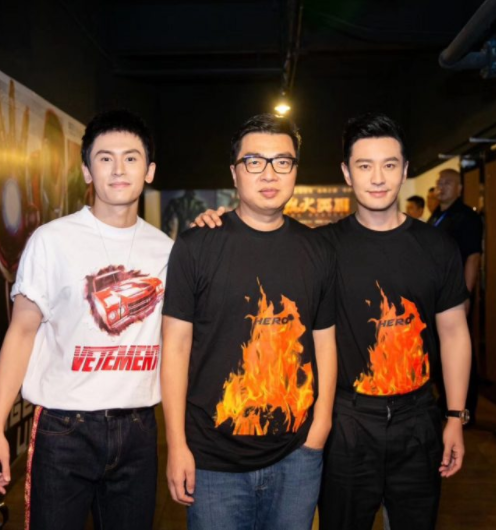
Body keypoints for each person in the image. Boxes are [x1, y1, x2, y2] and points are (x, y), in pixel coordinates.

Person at [192, 113, 470, 529]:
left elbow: (454, 333)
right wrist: (216, 223)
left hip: (418, 420)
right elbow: (262, 247)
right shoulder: (321, 247)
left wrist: (455, 417)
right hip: (346, 422)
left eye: (389, 165)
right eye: (364, 165)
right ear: (346, 172)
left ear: (405, 169)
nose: (378, 177)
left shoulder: (437, 246)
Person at [0, 110, 173, 530]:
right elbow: (21, 333)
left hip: (138, 429)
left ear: (150, 170)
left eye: (131, 158)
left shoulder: (166, 251)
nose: (118, 169)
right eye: (105, 158)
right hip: (65, 429)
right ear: (87, 171)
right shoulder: (52, 240)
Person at [161, 114, 337, 530]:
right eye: (254, 161)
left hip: (297, 456)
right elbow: (175, 348)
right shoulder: (195, 246)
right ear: (234, 172)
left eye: (282, 162)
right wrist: (176, 444)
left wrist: (320, 429)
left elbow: (325, 343)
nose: (269, 173)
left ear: (295, 171)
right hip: (212, 462)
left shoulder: (317, 250)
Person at [428, 168, 483, 423]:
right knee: (440, 350)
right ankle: (446, 400)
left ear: (460, 188)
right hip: (435, 296)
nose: (442, 186)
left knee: (461, 349)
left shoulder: (467, 218)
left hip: (455, 296)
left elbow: (473, 257)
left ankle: (465, 409)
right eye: (439, 182)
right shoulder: (436, 216)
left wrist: (466, 295)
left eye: (448, 182)